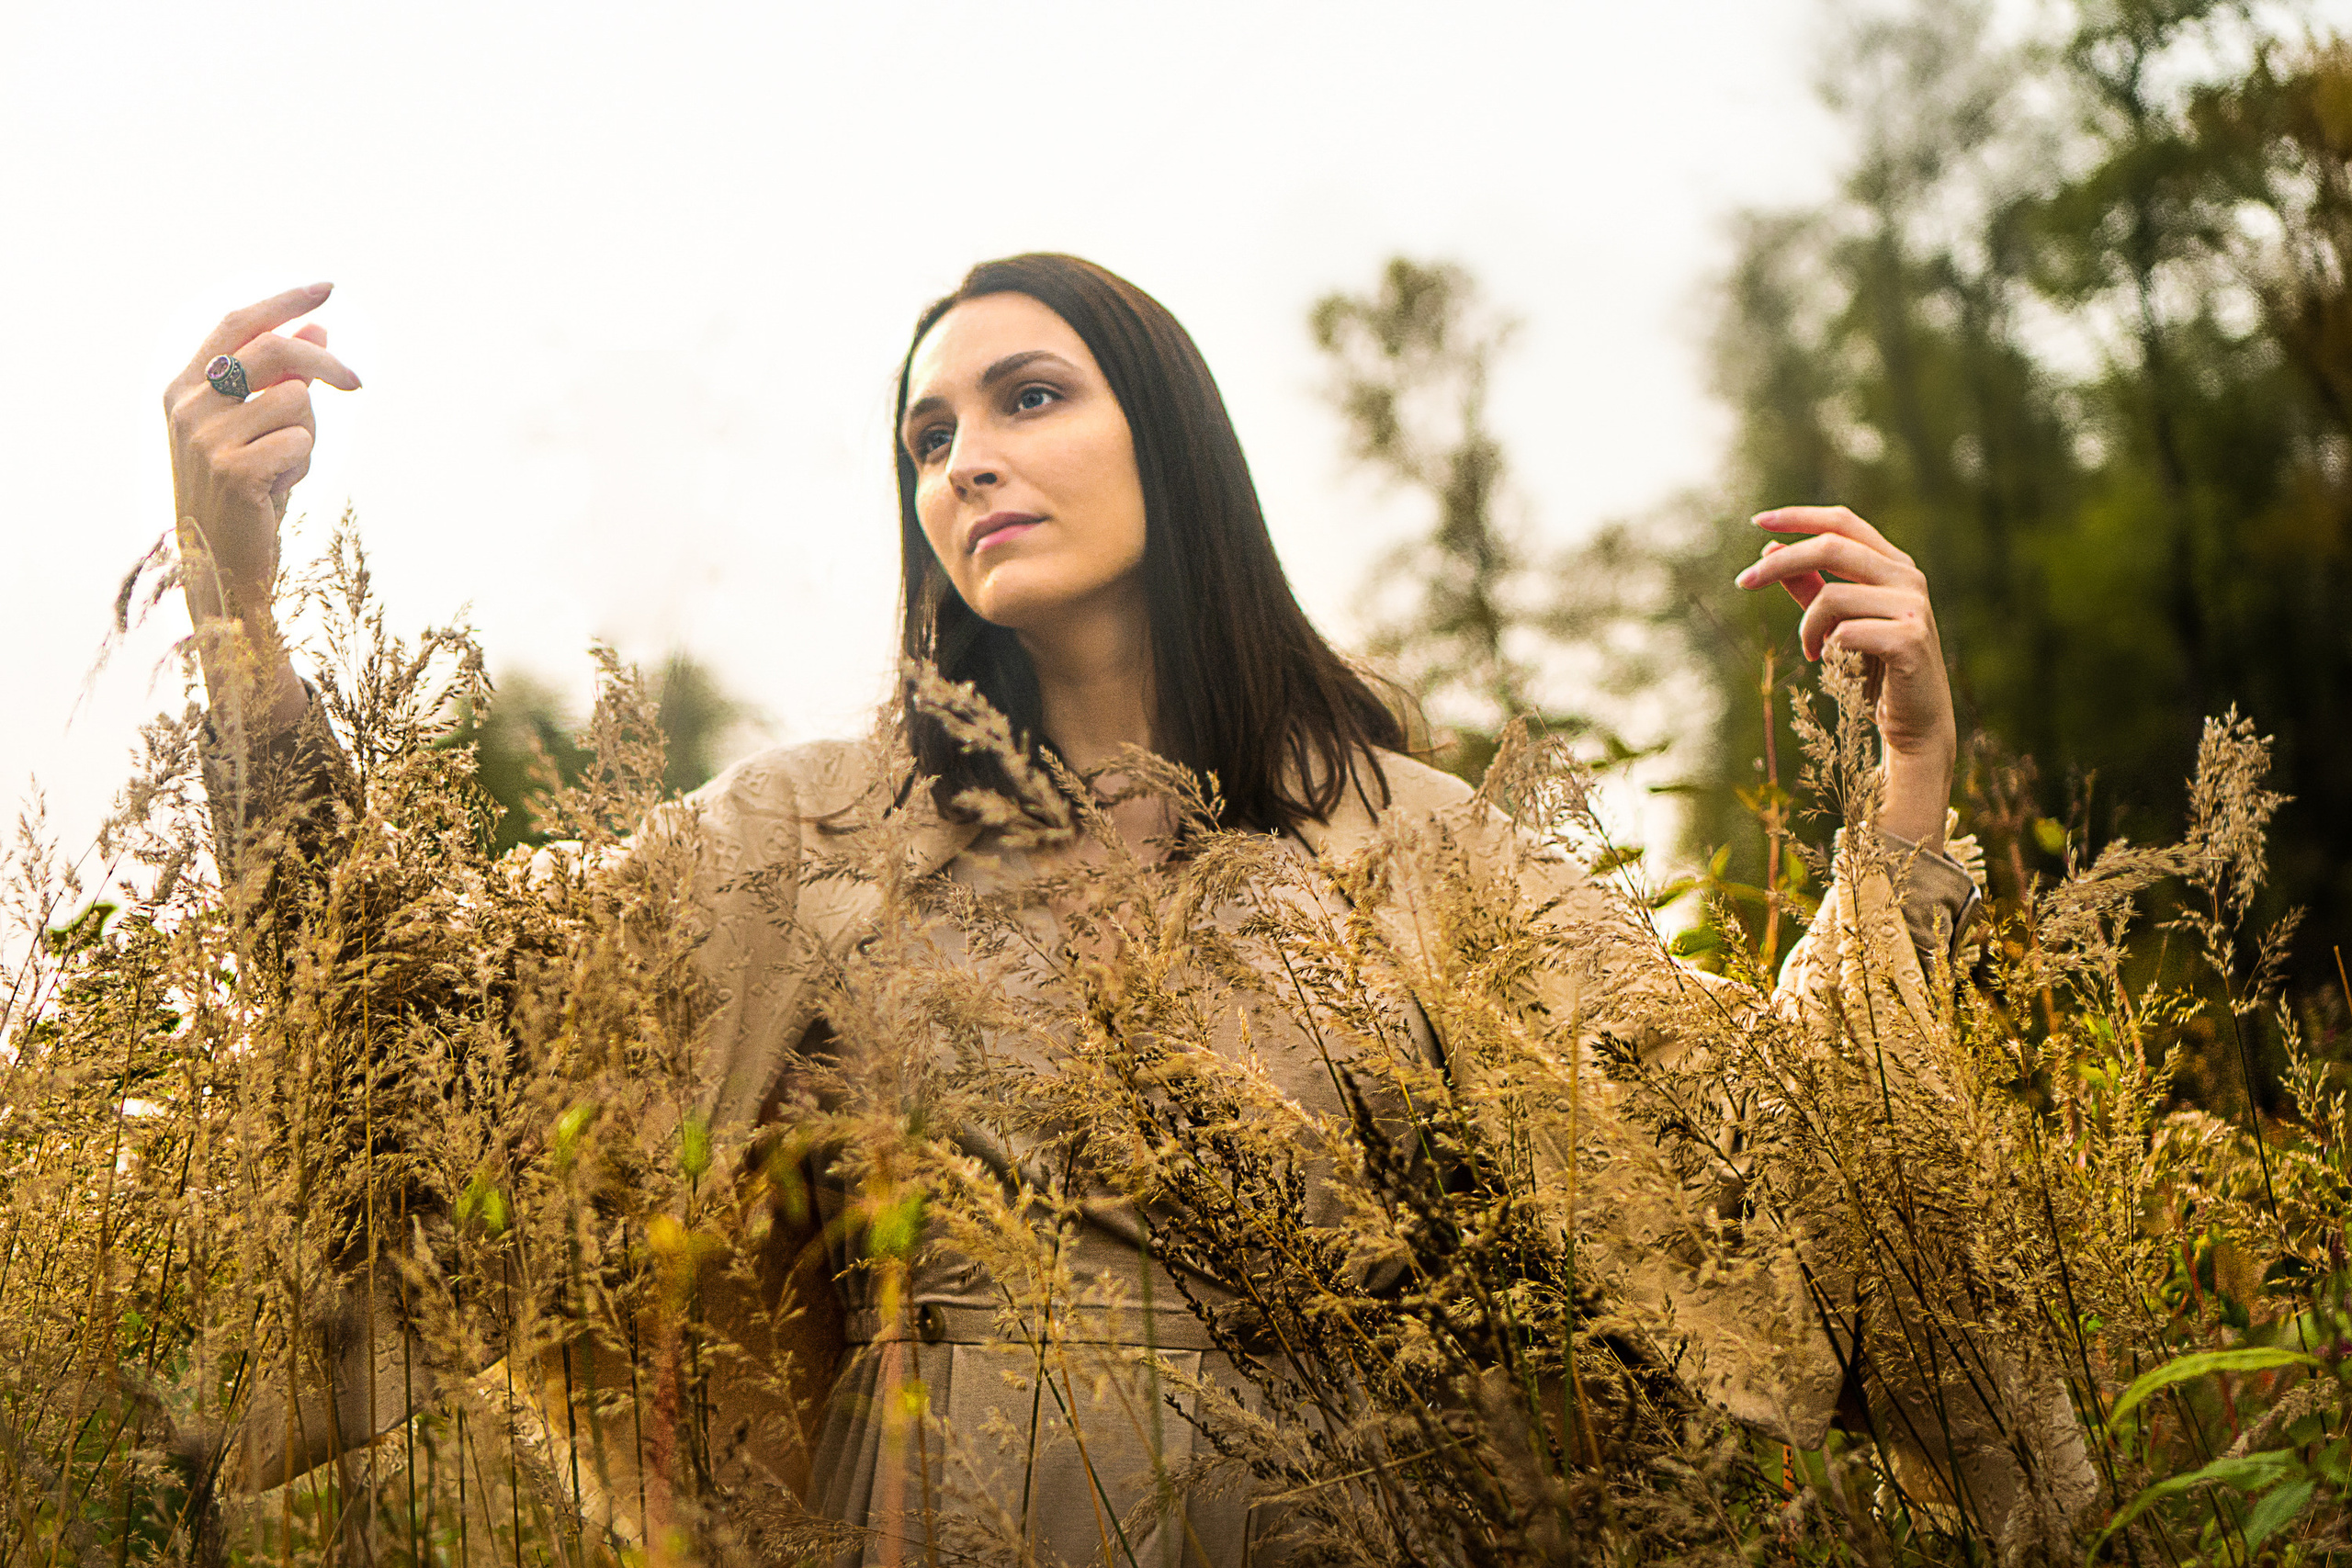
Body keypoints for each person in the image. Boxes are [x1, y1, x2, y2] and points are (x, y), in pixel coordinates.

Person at [165, 257, 2085, 1563]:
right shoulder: (807, 843)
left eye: (1024, 395)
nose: (964, 455)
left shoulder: (1416, 848)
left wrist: (1902, 791)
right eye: (926, 437)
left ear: (1164, 437)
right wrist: (235, 588)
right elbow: (408, 1018)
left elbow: (1744, 1147)